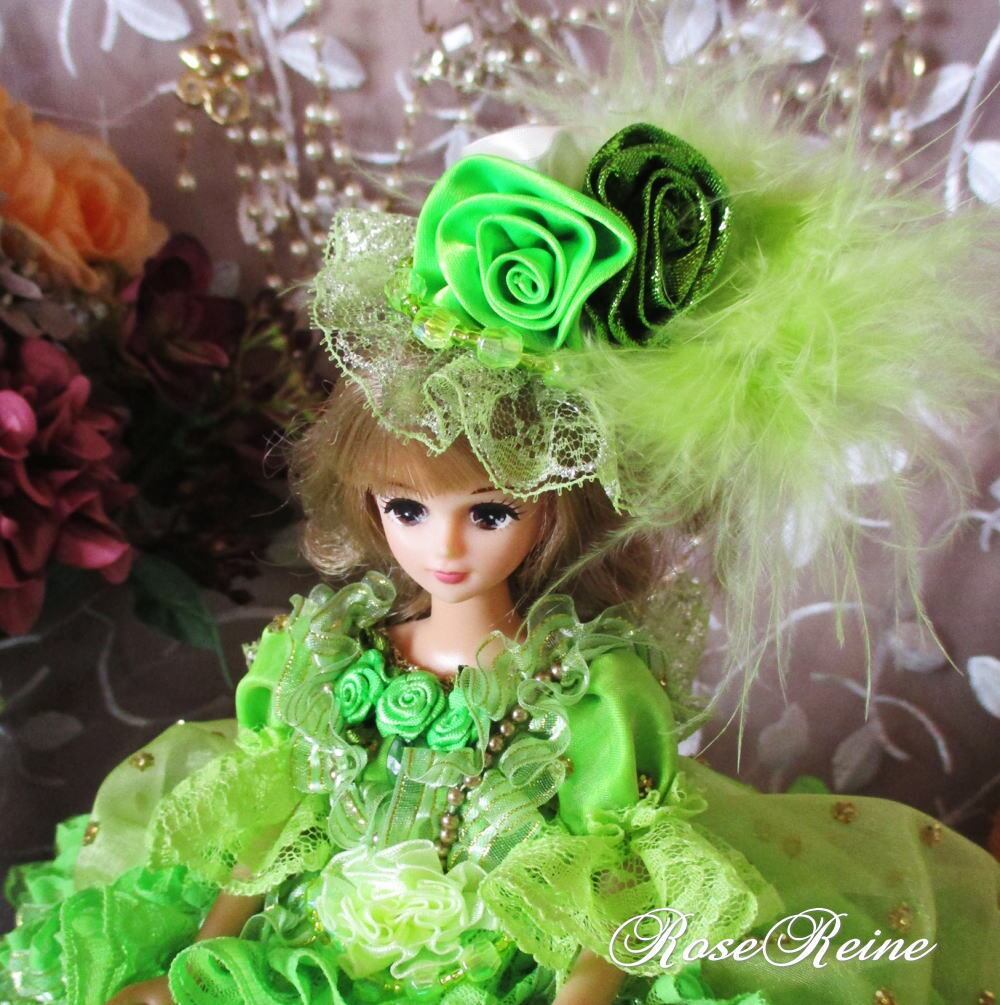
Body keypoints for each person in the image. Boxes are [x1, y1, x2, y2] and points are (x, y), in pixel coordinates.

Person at [4, 42, 1000, 1005]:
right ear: (364, 504)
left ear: (554, 511)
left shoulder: (586, 692)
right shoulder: (329, 656)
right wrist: (199, 960)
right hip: (306, 963)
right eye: (405, 508)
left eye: (488, 512)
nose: (442, 547)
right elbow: (272, 827)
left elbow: (614, 875)